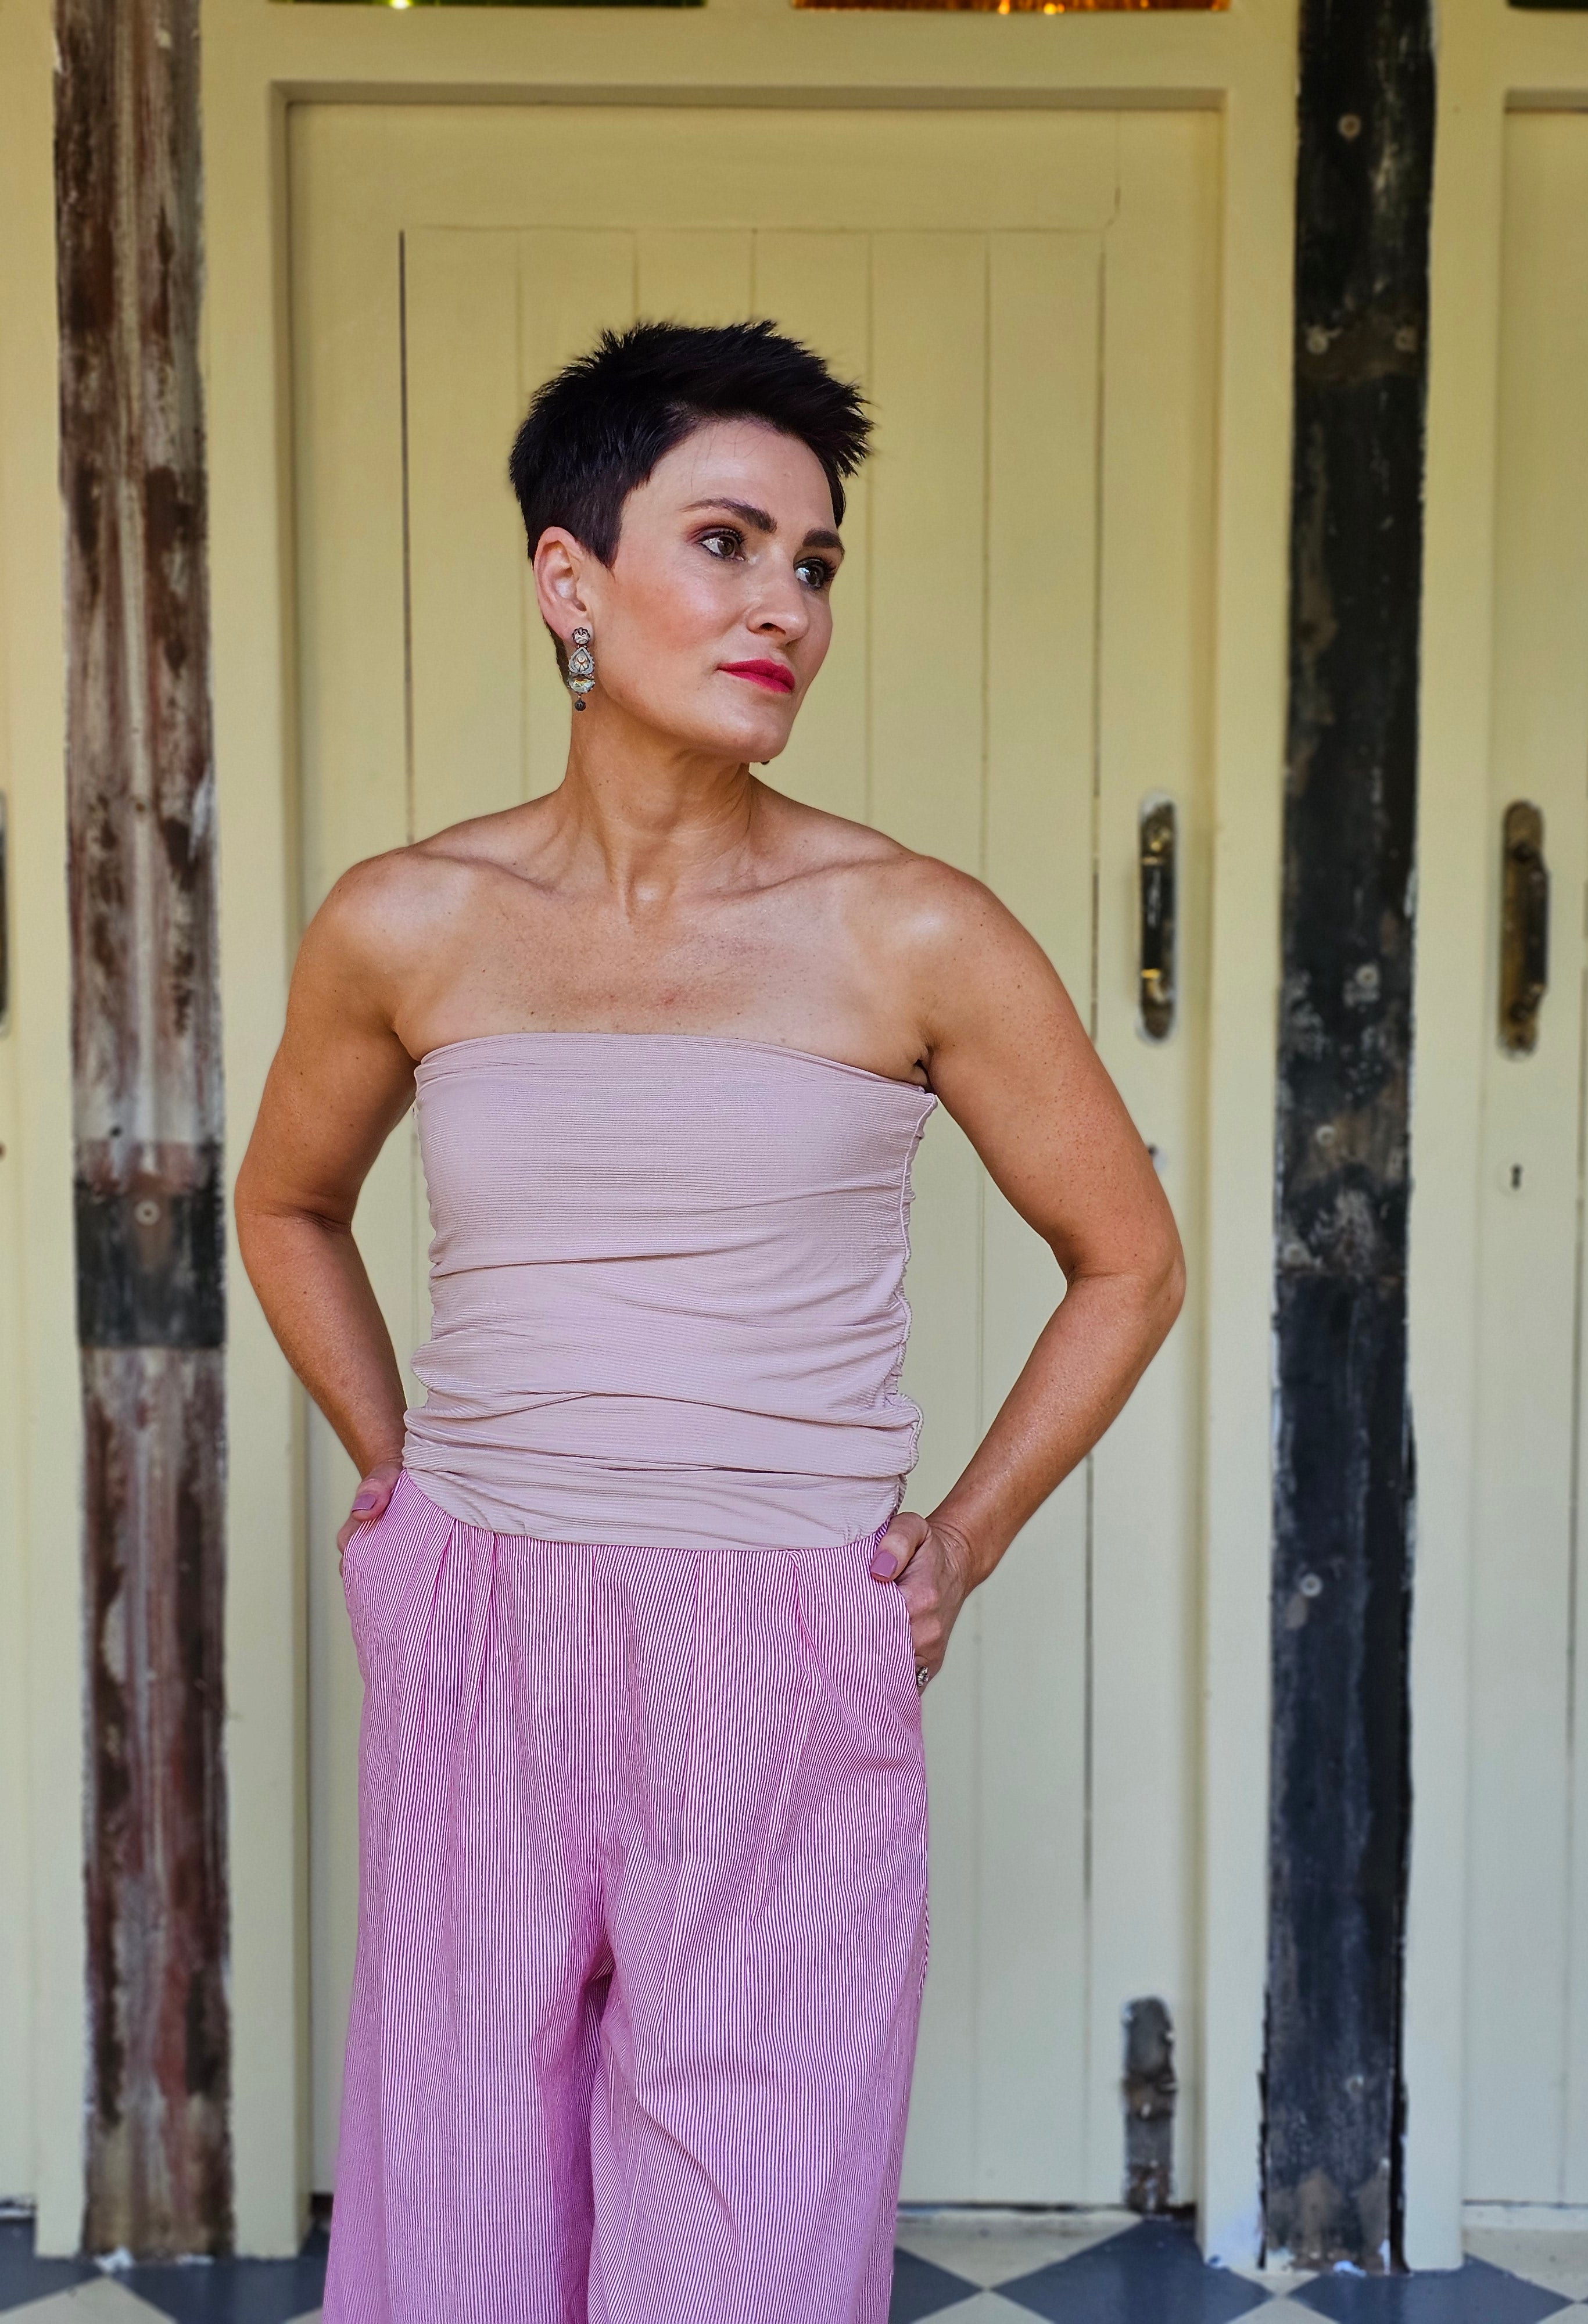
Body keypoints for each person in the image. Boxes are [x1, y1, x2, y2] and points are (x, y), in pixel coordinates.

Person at [236, 318, 1185, 2324]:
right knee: (465, 2224)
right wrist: (402, 1473)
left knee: (748, 2240)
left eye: (815, 564)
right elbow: (288, 1203)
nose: (786, 608)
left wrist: (962, 1543)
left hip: (782, 1631)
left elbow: (1130, 1257)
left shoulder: (911, 929)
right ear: (569, 579)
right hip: (480, 1617)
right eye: (730, 543)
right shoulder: (410, 919)